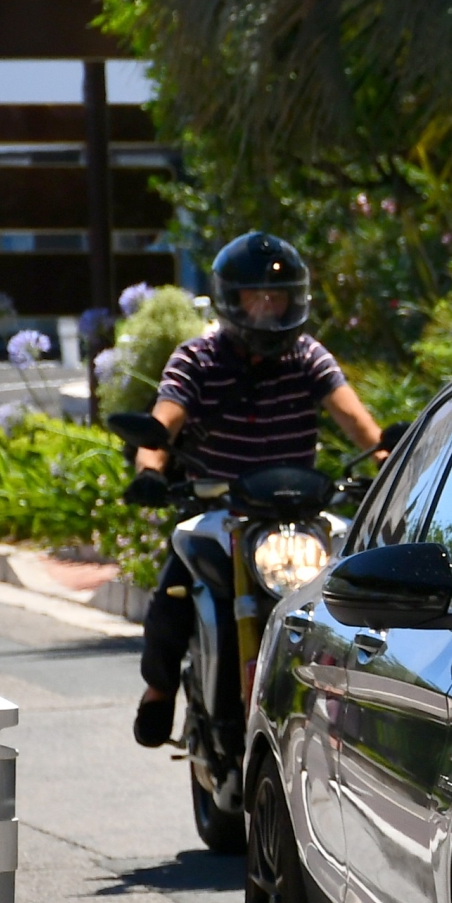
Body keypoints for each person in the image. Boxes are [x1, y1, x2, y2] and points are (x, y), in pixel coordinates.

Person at [130, 232, 386, 748]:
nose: (269, 309)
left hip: (296, 517)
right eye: (257, 297)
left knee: (361, 596)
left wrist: (390, 461)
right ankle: (158, 691)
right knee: (171, 598)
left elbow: (358, 423)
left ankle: (356, 724)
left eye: (278, 297)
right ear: (231, 300)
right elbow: (163, 424)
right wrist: (150, 469)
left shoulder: (308, 357)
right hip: (222, 512)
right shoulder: (197, 359)